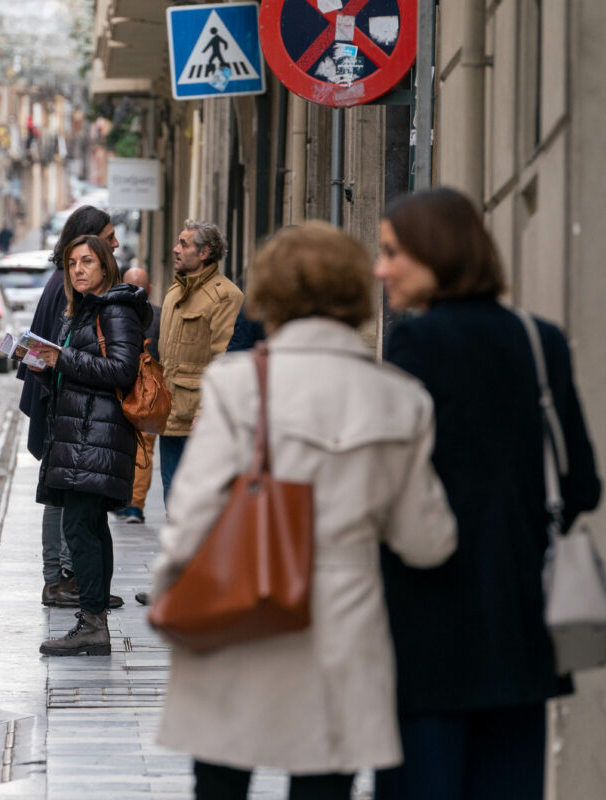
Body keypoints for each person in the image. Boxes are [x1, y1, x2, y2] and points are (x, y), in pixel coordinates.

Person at [152, 222, 457, 800]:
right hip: (343, 629)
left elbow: (192, 516)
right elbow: (428, 541)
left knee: (221, 779)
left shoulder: (238, 385)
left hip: (238, 611)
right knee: (324, 786)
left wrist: (171, 595)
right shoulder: (399, 397)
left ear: (271, 293)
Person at [373, 188, 601, 800]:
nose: (381, 268)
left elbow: (392, 491)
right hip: (522, 625)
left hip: (426, 625)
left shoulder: (415, 345)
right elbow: (582, 483)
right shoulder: (540, 340)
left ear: (435, 253)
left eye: (393, 252)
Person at [26, 234, 150, 656]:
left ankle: (93, 624)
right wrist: (43, 366)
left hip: (96, 437)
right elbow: (77, 373)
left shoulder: (115, 310)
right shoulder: (83, 311)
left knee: (81, 529)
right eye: (72, 263)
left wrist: (62, 359)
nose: (78, 269)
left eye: (87, 262)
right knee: (90, 529)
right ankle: (94, 623)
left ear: (105, 267)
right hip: (82, 435)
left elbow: (120, 370)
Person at [17, 205, 123, 610]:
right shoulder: (62, 286)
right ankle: (58, 577)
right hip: (60, 404)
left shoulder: (72, 286)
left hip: (67, 402)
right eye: (108, 236)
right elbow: (53, 347)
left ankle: (72, 578)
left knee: (67, 494)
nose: (115, 243)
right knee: (59, 494)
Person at [158, 220, 243, 503]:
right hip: (168, 416)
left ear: (205, 252)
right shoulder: (174, 293)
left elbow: (225, 359)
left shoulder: (225, 296)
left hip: (198, 420)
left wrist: (206, 411)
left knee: (199, 505)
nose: (175, 249)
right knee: (173, 501)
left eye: (184, 244)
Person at [115, 266, 159, 525]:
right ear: (150, 290)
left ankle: (123, 501)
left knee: (120, 444)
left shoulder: (113, 314)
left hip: (120, 390)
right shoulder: (160, 316)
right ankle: (135, 505)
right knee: (145, 450)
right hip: (150, 392)